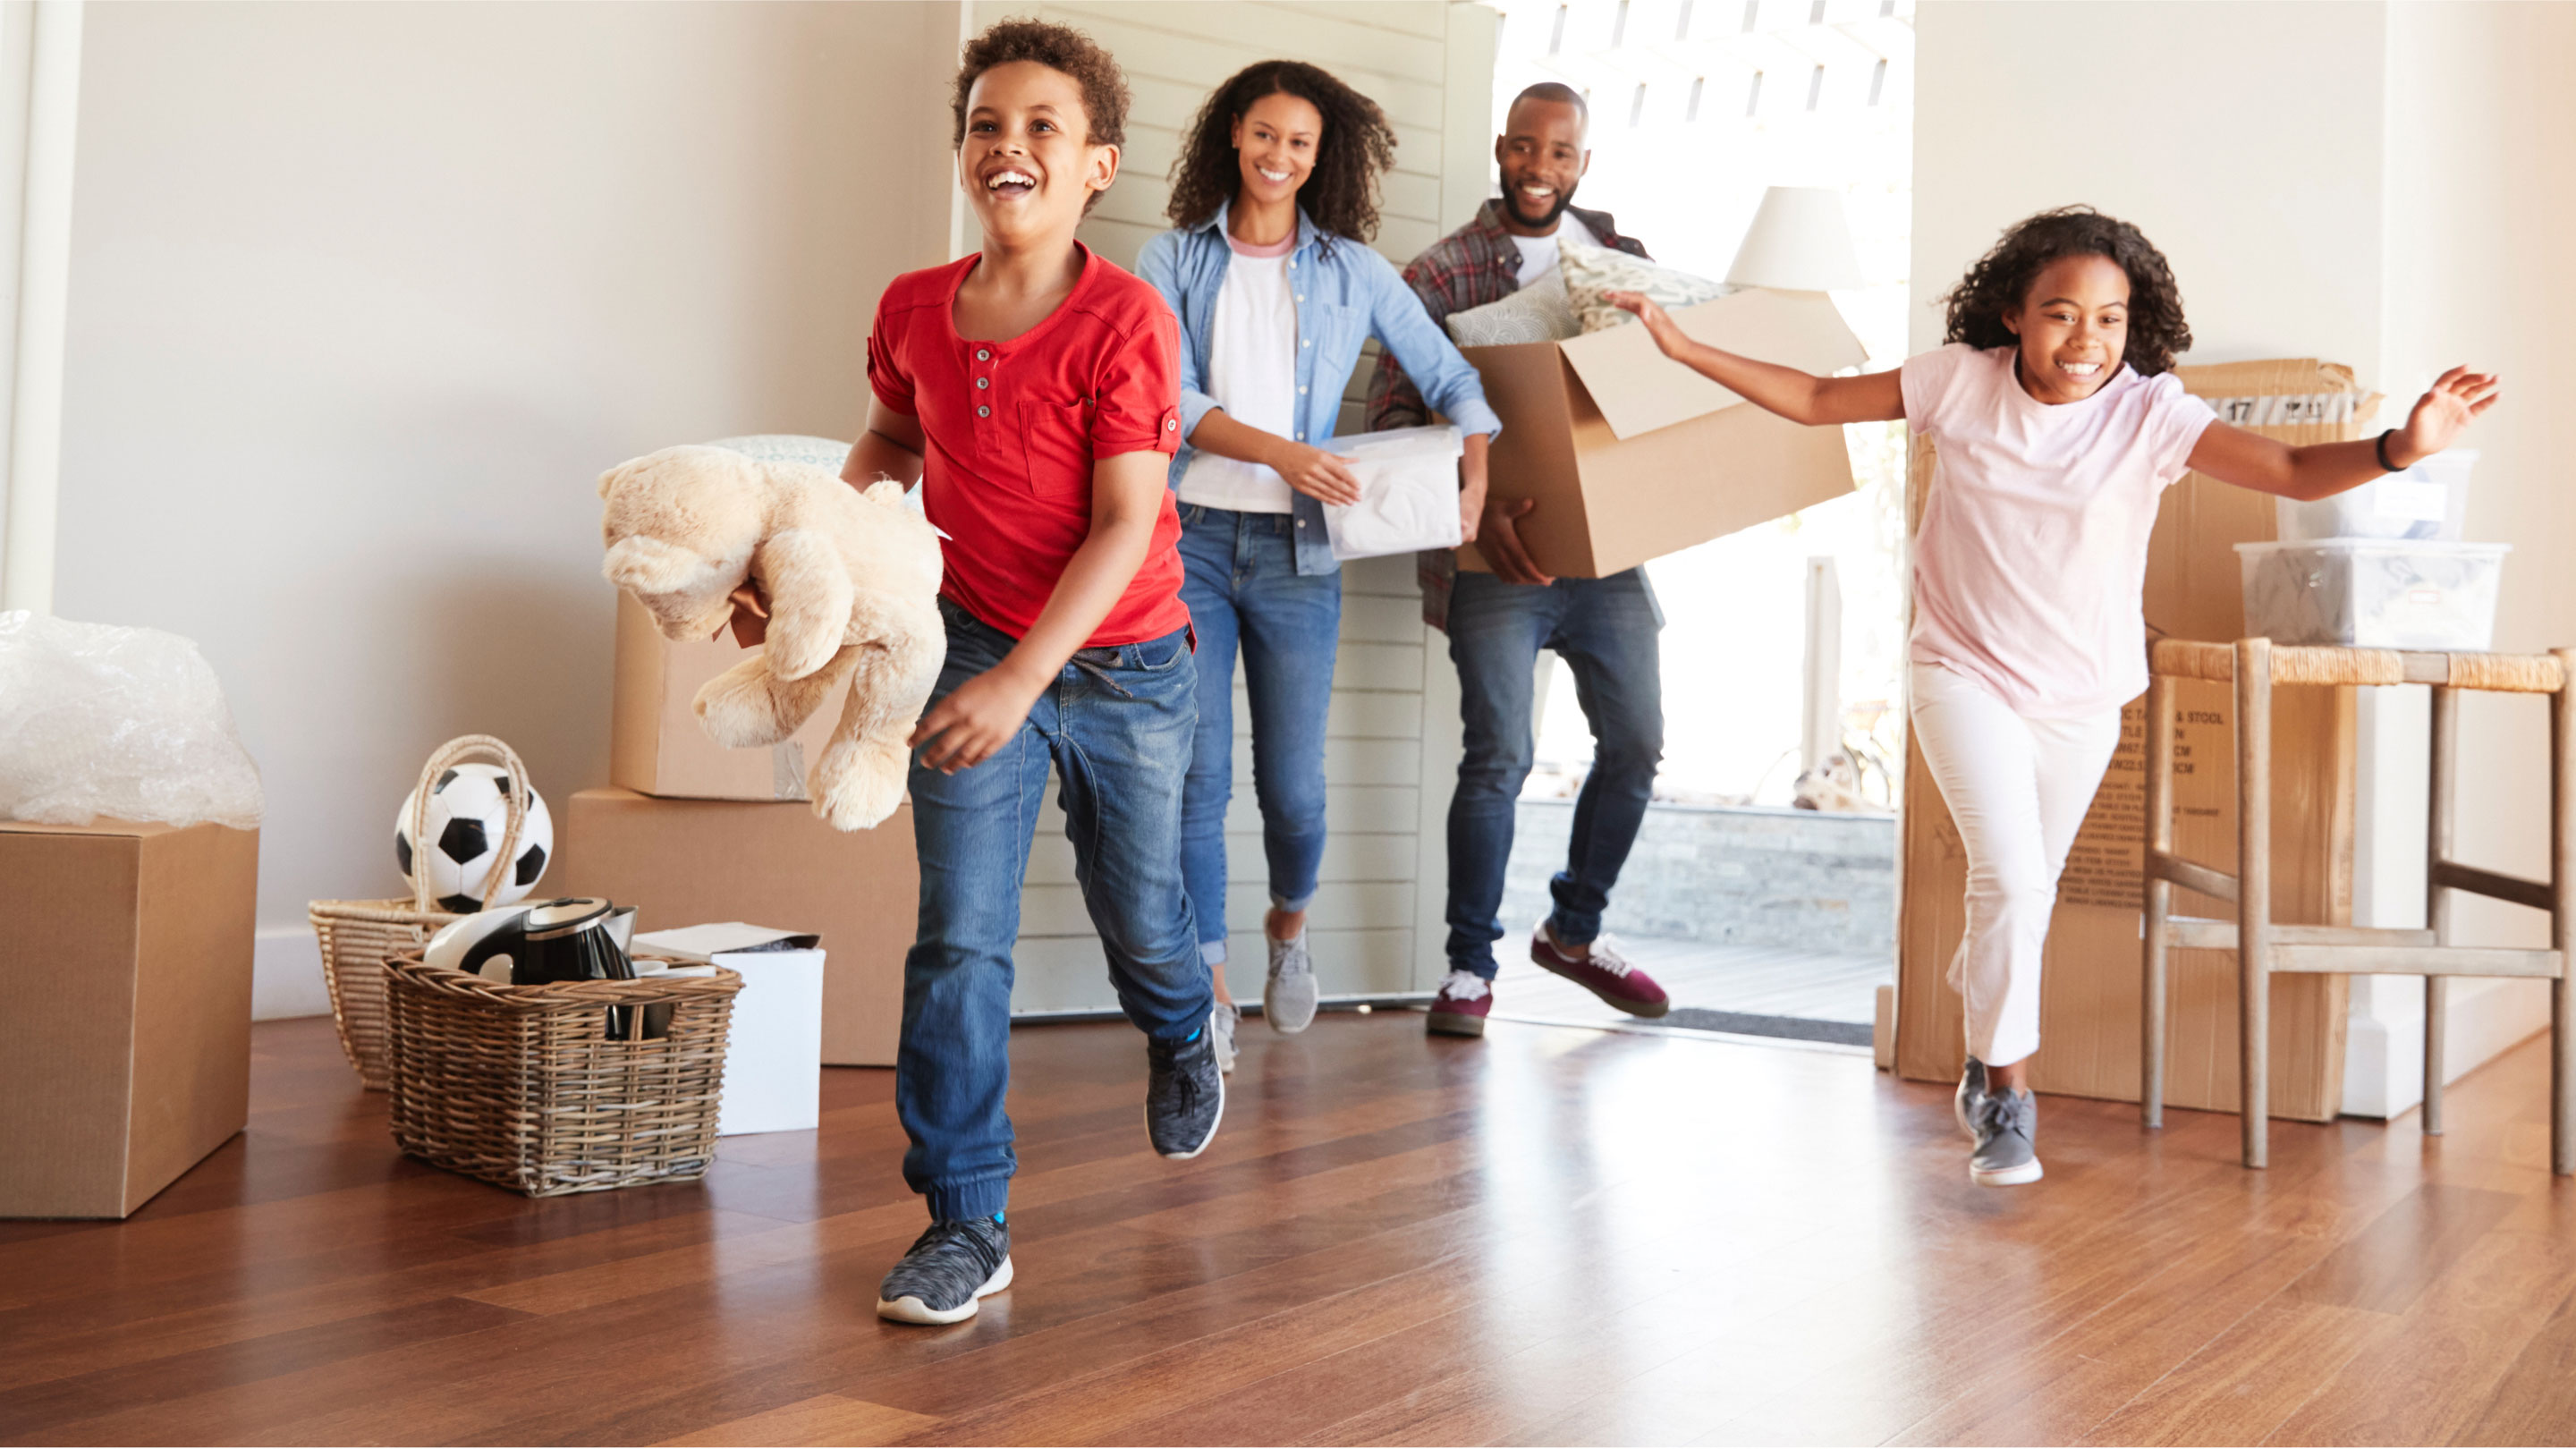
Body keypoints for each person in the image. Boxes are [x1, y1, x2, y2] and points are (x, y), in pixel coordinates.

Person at [1609, 205, 2499, 1187]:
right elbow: (1820, 399)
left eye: (2111, 319)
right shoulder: (1958, 383)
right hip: (1962, 670)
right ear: (2015, 315)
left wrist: (2398, 450)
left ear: (2136, 324)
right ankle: (2007, 1096)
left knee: (2022, 898)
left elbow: (2287, 469)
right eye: (2062, 314)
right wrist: (1685, 348)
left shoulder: (2152, 413)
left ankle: (1981, 1019)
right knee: (2015, 884)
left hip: (2084, 693)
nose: (2087, 341)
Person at [783, 19, 1219, 1325]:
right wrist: (813, 556)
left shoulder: (1126, 319)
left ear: (1098, 164)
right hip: (973, 639)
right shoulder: (912, 307)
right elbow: (885, 441)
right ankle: (965, 1221)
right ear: (964, 154)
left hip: (1124, 663)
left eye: (1043, 126)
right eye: (987, 123)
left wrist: (1027, 683)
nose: (1010, 144)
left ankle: (1188, 1026)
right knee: (959, 941)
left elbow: (1125, 522)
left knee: (1140, 916)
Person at [1138, 62, 1500, 1070]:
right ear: (1233, 138)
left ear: (1320, 156)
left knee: (1293, 788)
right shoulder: (1172, 260)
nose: (1278, 157)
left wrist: (1471, 481)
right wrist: (1286, 454)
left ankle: (1287, 932)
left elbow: (1454, 380)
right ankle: (1207, 993)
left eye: (1299, 143)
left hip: (1301, 552)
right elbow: (1169, 398)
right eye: (1263, 135)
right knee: (1197, 779)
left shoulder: (1355, 271)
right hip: (1193, 543)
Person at [1365, 81, 1674, 1039]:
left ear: (1584, 163)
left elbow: (1655, 401)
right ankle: (1468, 968)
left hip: (1608, 554)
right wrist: (1473, 515)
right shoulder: (1442, 273)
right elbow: (1391, 416)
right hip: (1492, 559)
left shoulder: (1625, 266)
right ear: (1501, 149)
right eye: (1525, 149)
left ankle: (1573, 934)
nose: (1541, 168)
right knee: (1499, 755)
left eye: (1562, 153)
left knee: (1636, 745)